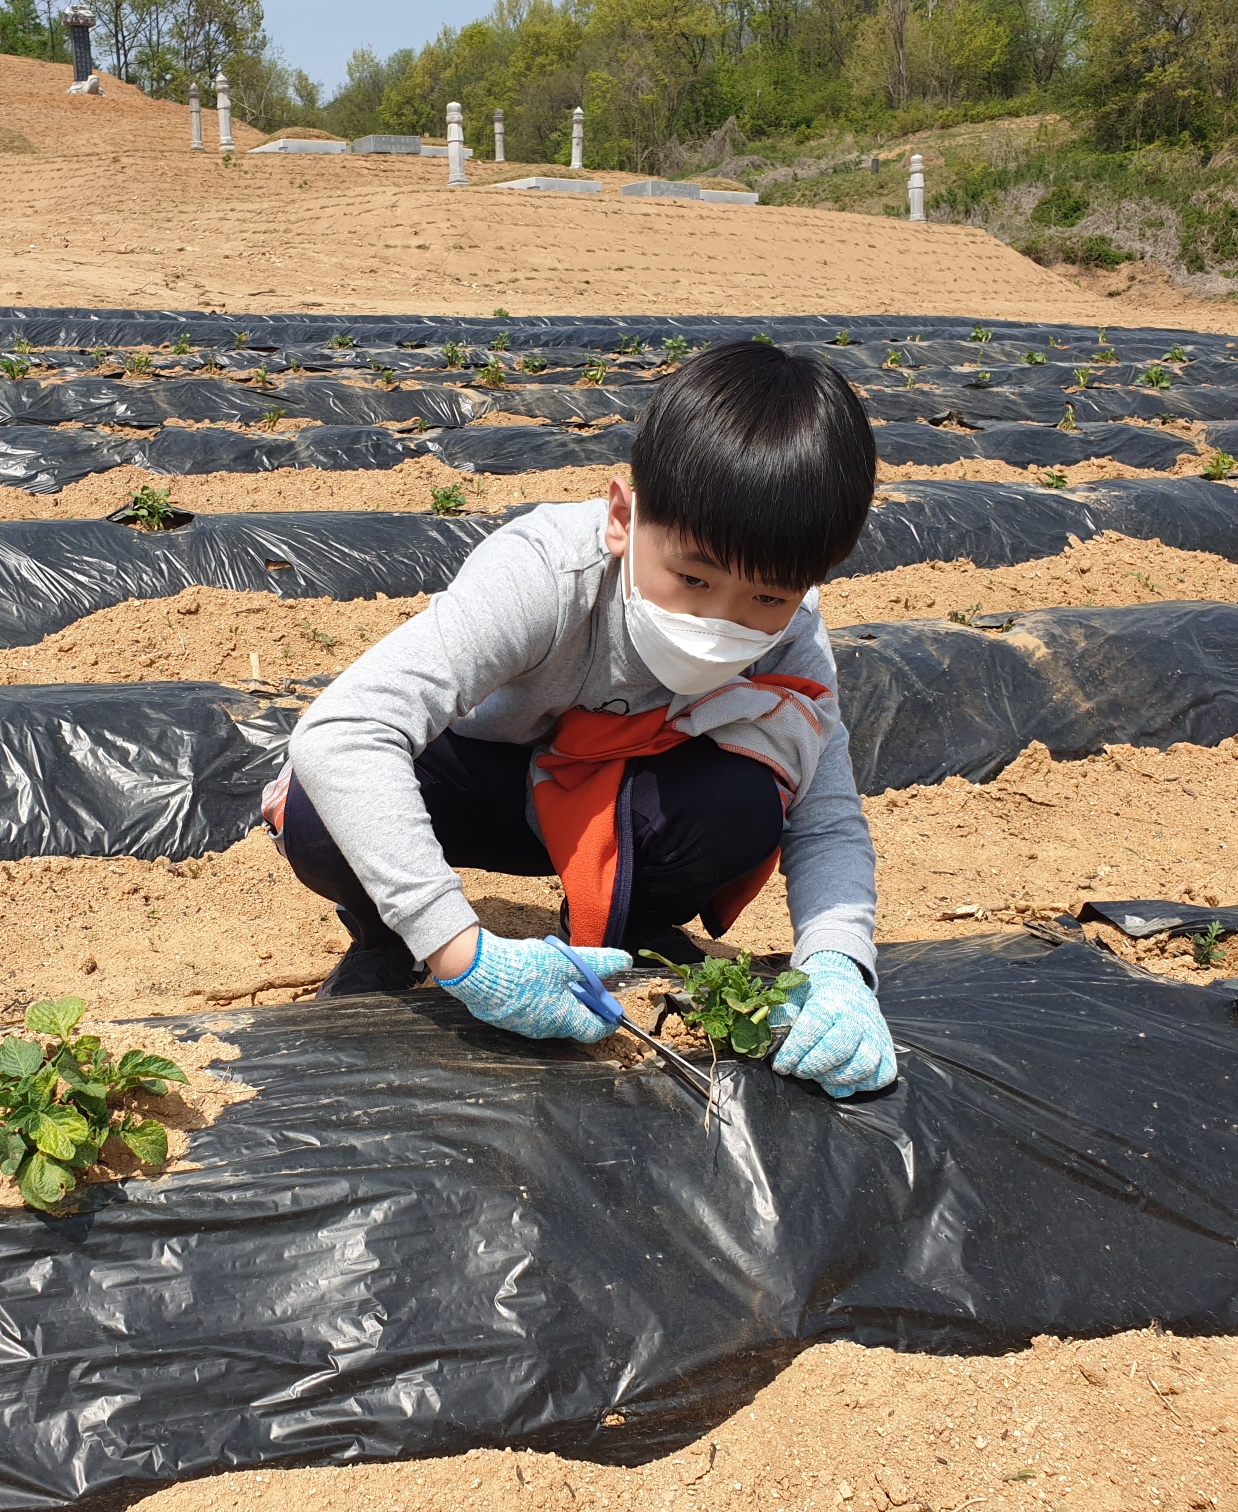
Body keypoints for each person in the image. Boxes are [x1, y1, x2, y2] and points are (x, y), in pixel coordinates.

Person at [261, 340, 894, 1098]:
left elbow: (825, 811)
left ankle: (628, 928)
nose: (720, 621)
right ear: (625, 516)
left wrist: (836, 963)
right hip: (483, 780)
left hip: (616, 802)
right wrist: (462, 951)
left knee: (749, 800)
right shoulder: (548, 573)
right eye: (692, 577)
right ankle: (390, 939)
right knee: (319, 811)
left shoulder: (793, 629)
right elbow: (343, 730)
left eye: (767, 597)